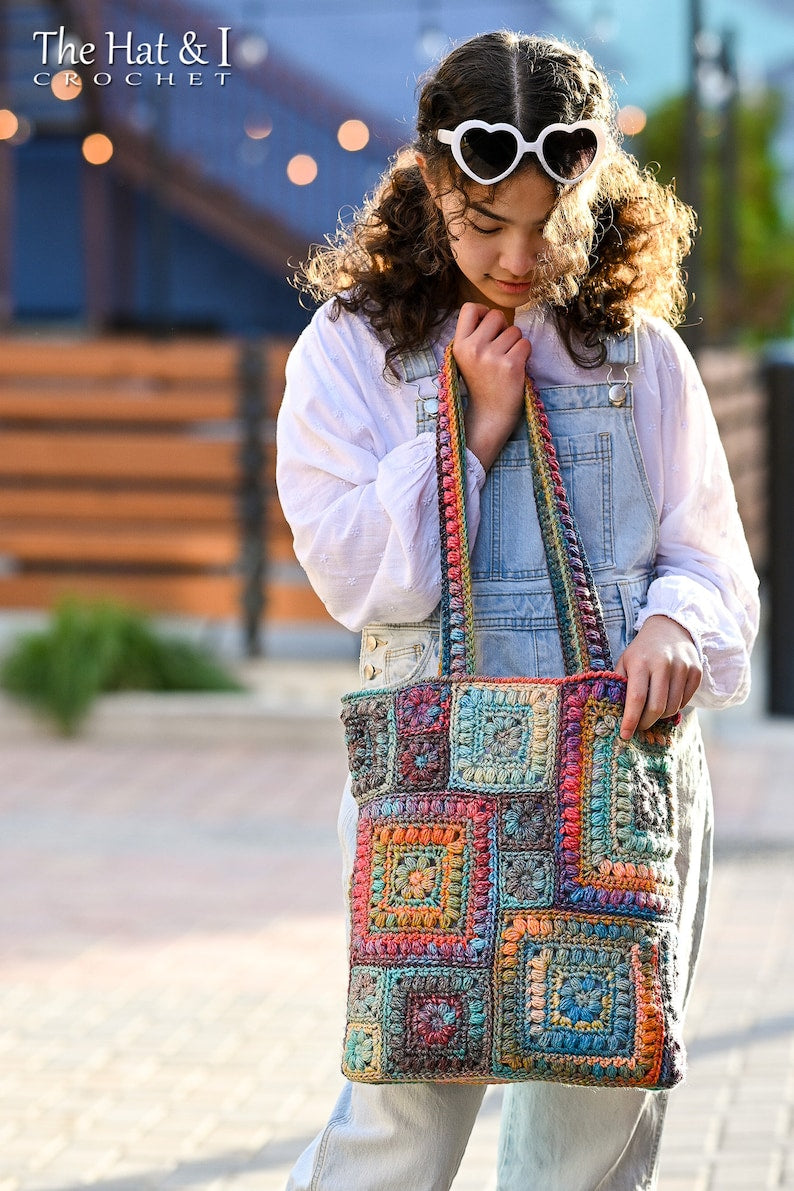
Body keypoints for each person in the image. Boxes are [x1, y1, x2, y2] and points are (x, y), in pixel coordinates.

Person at [276, 30, 759, 1191]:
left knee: (591, 1125)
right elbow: (357, 577)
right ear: (432, 187)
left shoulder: (635, 356)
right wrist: (472, 428)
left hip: (617, 779)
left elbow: (709, 553)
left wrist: (673, 627)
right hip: (437, 788)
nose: (516, 255)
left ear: (593, 197)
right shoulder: (352, 351)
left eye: (549, 223)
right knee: (399, 1115)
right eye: (483, 222)